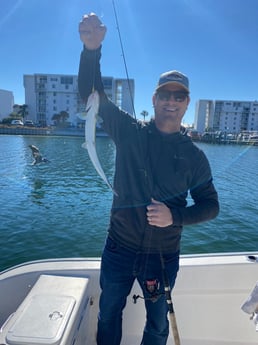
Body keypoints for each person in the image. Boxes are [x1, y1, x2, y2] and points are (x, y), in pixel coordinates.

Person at [78, 13, 219, 345]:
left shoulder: (195, 157)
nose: (171, 101)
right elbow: (92, 94)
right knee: (108, 313)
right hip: (118, 248)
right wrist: (91, 49)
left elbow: (210, 206)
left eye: (179, 96)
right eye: (165, 94)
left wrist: (175, 216)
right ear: (154, 99)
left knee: (157, 326)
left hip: (163, 255)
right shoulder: (128, 131)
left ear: (186, 104)